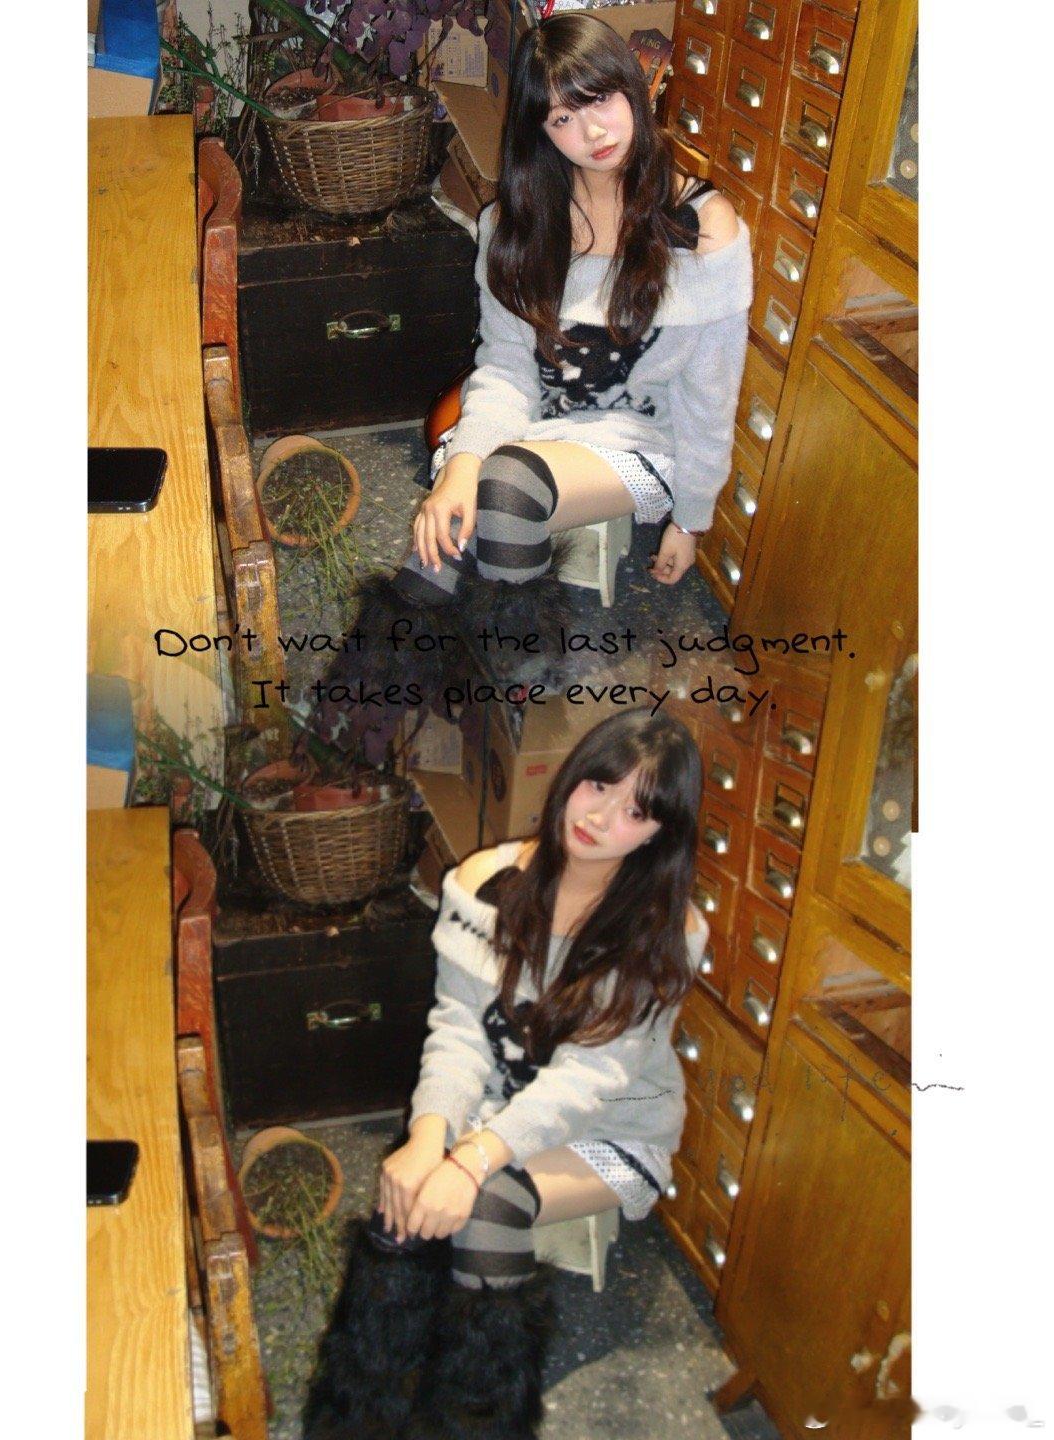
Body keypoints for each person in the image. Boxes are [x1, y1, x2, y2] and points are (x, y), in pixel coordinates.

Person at [303, 709, 707, 1439]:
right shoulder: (485, 885)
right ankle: (357, 1413)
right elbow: (460, 1030)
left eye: (636, 811)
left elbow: (588, 1082)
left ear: (659, 833)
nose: (601, 816)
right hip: (500, 1101)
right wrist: (429, 1139)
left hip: (612, 1127)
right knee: (406, 1195)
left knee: (489, 1205)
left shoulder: (666, 932)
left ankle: (479, 1423)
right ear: (572, 776)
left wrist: (471, 1158)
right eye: (599, 785)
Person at [393, 12, 752, 610]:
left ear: (632, 89)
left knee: (504, 490)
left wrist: (691, 520)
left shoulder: (700, 228)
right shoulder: (515, 227)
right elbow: (506, 367)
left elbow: (710, 394)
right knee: (436, 554)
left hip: (641, 440)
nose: (593, 130)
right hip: (531, 426)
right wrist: (462, 462)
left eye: (600, 98)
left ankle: (510, 655)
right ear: (540, 132)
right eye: (562, 117)